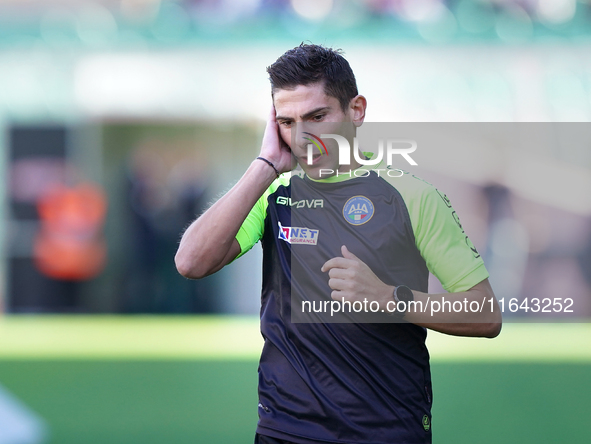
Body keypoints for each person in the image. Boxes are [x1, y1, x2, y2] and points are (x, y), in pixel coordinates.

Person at [175, 43, 502, 444]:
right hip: (285, 430)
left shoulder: (411, 196)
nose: (303, 136)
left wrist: (389, 298)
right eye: (288, 121)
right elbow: (191, 261)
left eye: (317, 116)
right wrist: (264, 167)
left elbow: (485, 314)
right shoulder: (274, 193)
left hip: (385, 430)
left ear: (356, 110)